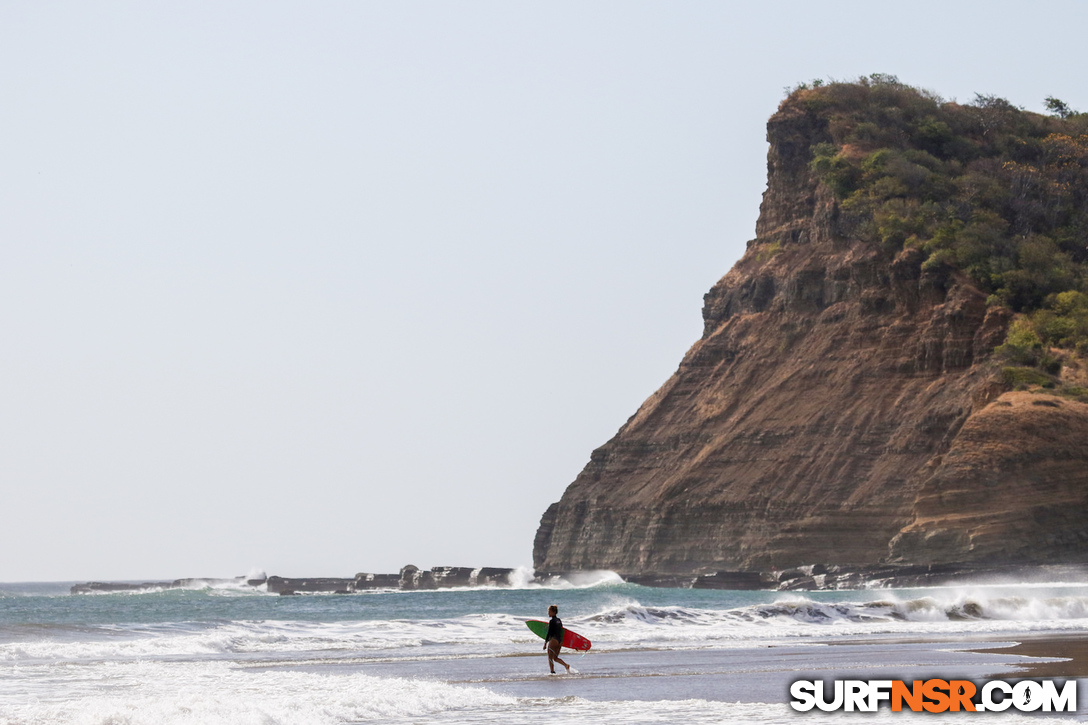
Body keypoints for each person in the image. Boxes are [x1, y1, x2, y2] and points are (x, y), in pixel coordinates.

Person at [544, 604, 570, 674]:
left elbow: (549, 633)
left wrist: (545, 643)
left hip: (554, 640)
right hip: (560, 641)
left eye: (549, 612)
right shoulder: (559, 620)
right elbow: (562, 631)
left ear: (553, 612)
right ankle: (566, 665)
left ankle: (552, 671)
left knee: (550, 657)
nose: (548, 613)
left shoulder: (552, 621)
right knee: (555, 658)